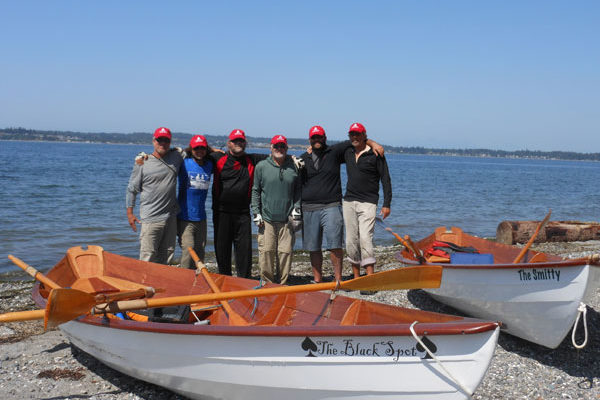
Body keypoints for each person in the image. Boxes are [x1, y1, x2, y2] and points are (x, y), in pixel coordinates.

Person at [300, 125, 383, 283]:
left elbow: (357, 141)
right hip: (309, 207)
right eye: (314, 137)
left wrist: (374, 144)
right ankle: (317, 280)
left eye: (320, 137)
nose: (317, 140)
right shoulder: (303, 158)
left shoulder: (335, 152)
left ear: (325, 138)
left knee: (335, 244)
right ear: (310, 140)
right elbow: (296, 183)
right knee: (313, 247)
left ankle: (338, 280)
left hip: (332, 205)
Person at [208, 129, 268, 278]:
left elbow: (277, 157)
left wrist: (299, 157)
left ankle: (244, 281)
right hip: (221, 212)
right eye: (235, 141)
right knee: (222, 250)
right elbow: (195, 152)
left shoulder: (252, 159)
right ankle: (224, 279)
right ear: (229, 143)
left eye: (241, 141)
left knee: (244, 251)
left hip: (242, 213)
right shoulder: (217, 158)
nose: (238, 144)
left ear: (245, 143)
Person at [342, 122, 392, 282]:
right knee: (351, 240)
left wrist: (387, 204)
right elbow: (328, 152)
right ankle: (356, 278)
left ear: (364, 135)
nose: (355, 137)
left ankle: (369, 278)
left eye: (358, 134)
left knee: (365, 238)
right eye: (352, 134)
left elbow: (386, 179)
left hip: (368, 202)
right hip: (348, 201)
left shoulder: (375, 154)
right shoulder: (348, 152)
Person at [126, 127, 183, 264]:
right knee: (148, 256)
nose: (162, 143)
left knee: (168, 255)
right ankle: (144, 285)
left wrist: (215, 151)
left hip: (170, 218)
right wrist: (130, 214)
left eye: (166, 140)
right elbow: (131, 189)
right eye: (159, 140)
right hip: (150, 219)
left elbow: (193, 151)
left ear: (170, 142)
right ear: (154, 141)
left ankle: (162, 285)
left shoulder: (176, 157)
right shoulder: (142, 162)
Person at [251, 135, 301, 284]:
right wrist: (256, 212)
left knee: (285, 253)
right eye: (276, 146)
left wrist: (296, 209)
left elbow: (298, 190)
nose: (279, 149)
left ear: (286, 148)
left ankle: (282, 283)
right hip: (266, 220)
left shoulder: (294, 166)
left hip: (287, 220)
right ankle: (267, 282)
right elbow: (255, 191)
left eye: (282, 146)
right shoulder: (261, 166)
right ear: (271, 148)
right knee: (266, 252)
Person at [177, 134, 214, 269]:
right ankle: (183, 282)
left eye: (202, 148)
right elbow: (167, 158)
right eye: (196, 148)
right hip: (184, 217)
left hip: (201, 218)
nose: (199, 151)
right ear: (191, 149)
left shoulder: (209, 165)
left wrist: (214, 151)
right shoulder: (184, 163)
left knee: (200, 252)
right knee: (188, 251)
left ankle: (197, 283)